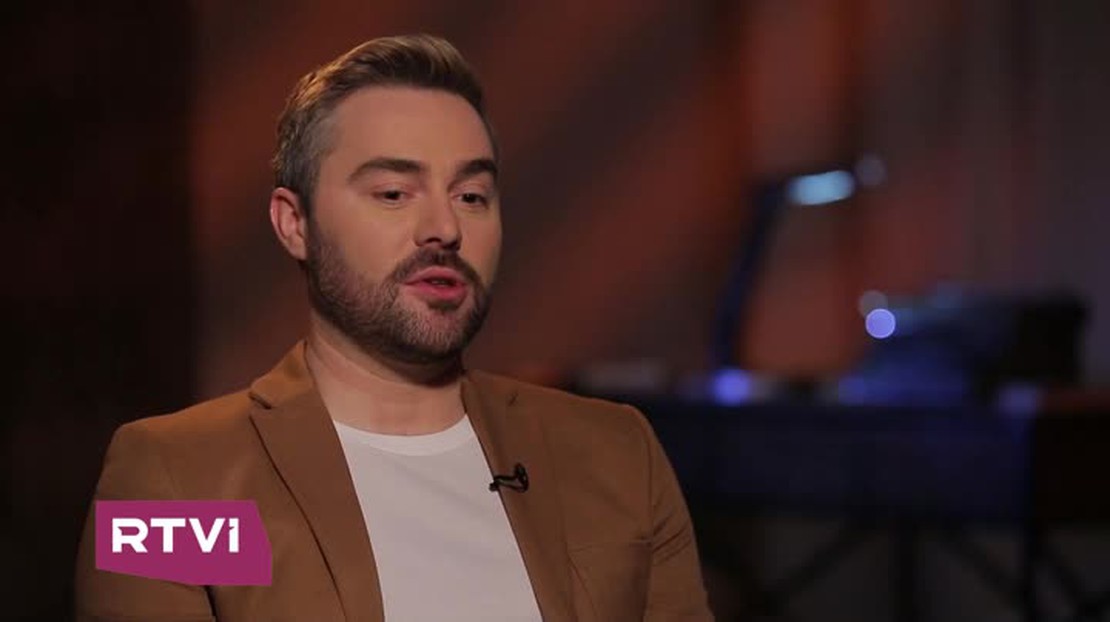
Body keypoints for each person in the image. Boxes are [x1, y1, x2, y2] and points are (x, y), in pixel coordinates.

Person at [76, 34, 713, 621]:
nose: (445, 228)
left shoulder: (616, 454)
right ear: (294, 224)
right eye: (393, 193)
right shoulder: (177, 483)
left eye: (471, 196)